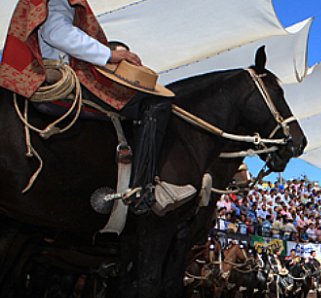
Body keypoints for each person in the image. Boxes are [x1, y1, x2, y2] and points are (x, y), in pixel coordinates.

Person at [0, 0, 192, 214]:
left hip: (49, 67)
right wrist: (109, 54)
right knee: (155, 103)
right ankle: (144, 190)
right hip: (59, 72)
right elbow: (55, 31)